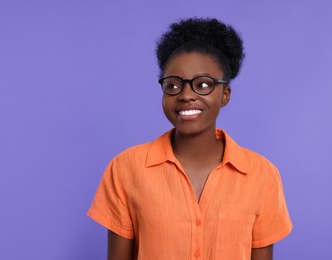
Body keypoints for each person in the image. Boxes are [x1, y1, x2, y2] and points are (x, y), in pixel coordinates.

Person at [88, 17, 292, 260]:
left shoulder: (262, 175)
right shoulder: (125, 169)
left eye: (202, 84)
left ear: (224, 95)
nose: (186, 95)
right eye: (173, 86)